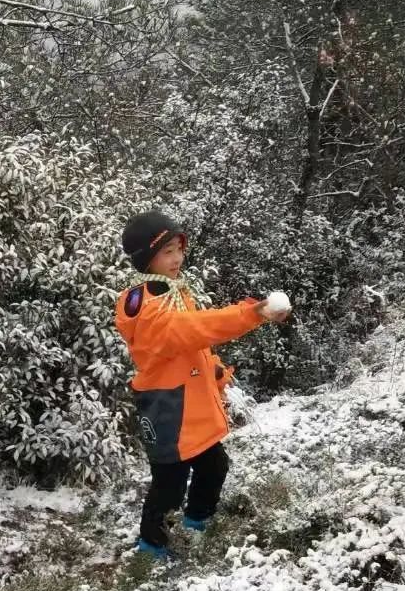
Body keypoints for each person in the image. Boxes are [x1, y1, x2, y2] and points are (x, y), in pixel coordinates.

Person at [114, 211, 290, 558]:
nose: (177, 257)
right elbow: (190, 330)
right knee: (169, 485)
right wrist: (250, 313)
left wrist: (216, 372)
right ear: (146, 257)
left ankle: (196, 524)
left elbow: (192, 346)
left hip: (190, 402)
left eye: (178, 247)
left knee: (213, 466)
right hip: (167, 408)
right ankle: (151, 548)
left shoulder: (170, 291)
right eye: (167, 251)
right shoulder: (145, 304)